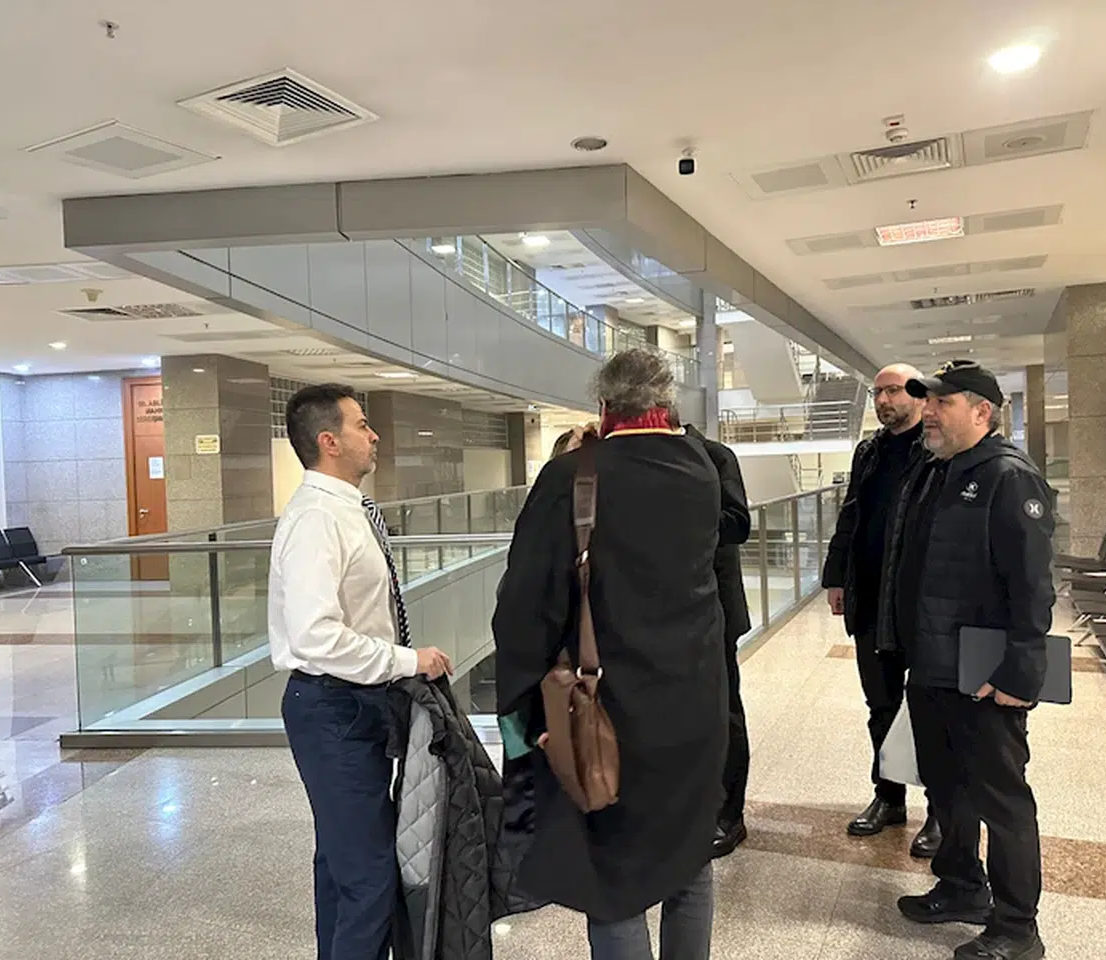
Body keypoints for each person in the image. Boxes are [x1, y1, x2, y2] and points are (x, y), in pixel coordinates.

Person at [493, 349, 726, 960]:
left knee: (612, 875)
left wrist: (529, 712)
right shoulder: (701, 468)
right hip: (696, 700)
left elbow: (525, 604)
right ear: (665, 402)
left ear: (603, 403)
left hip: (608, 708)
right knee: (689, 857)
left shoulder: (572, 476)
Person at [269, 383, 453, 960]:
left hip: (355, 704)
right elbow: (314, 635)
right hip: (332, 708)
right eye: (362, 425)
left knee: (342, 867)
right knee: (369, 878)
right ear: (330, 441)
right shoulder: (316, 519)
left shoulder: (349, 510)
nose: (374, 436)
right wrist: (406, 660)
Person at [882, 360, 1052, 960]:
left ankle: (1017, 928)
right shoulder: (939, 472)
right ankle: (960, 886)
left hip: (984, 669)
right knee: (946, 785)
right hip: (933, 662)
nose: (927, 411)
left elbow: (1032, 587)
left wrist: (1020, 672)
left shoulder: (1008, 476)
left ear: (982, 411)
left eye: (942, 402)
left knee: (1001, 799)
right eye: (927, 401)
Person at [822, 363, 940, 857]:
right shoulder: (868, 451)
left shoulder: (935, 450)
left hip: (919, 604)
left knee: (930, 710)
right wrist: (835, 575)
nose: (883, 400)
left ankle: (940, 810)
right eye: (877, 393)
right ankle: (889, 797)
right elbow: (851, 513)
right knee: (882, 707)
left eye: (893, 391)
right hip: (870, 598)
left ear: (918, 395)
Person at [685, 422, 753, 858]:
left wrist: (678, 511)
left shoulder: (715, 456)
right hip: (670, 611)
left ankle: (730, 814)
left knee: (725, 710)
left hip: (717, 609)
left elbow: (738, 523)